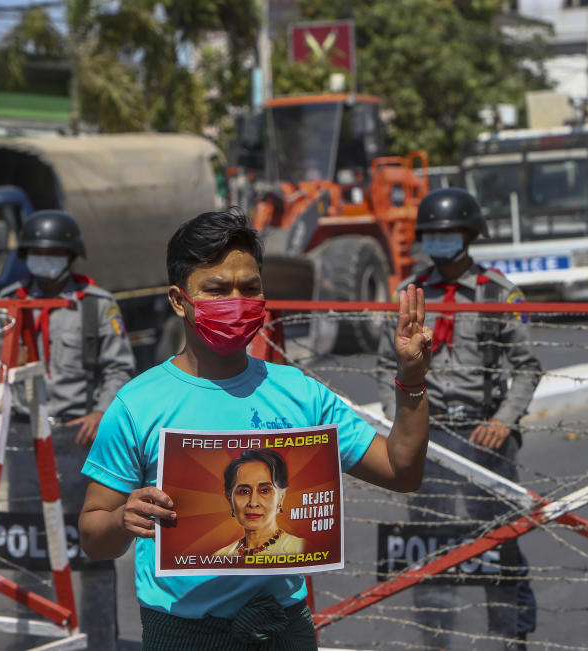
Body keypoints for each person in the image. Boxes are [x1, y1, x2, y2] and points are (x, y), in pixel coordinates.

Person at [79, 208, 432, 650]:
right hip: (183, 636)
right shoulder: (138, 404)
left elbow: (402, 471)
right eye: (216, 289)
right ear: (178, 300)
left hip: (283, 631)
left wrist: (413, 380)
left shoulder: (300, 393)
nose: (236, 301)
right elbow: (94, 536)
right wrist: (121, 518)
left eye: (250, 288)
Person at [377, 187, 542, 651]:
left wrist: (505, 421)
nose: (440, 240)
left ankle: (510, 638)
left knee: (499, 543)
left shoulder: (498, 291)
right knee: (429, 546)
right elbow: (382, 363)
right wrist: (399, 424)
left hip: (485, 434)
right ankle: (437, 642)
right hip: (428, 436)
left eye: (449, 232)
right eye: (432, 233)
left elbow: (527, 366)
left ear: (469, 234)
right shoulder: (409, 294)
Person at [0, 209, 135, 651]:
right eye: (37, 253)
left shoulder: (97, 305)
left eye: (54, 253)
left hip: (80, 439)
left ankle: (100, 640)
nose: (45, 260)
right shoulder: (8, 302)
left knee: (92, 545)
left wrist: (102, 412)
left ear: (71, 256)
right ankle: (40, 638)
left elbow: (119, 367)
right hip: (25, 438)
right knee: (31, 547)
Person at [212, 449, 305, 557]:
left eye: (264, 490)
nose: (253, 503)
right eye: (244, 491)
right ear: (229, 499)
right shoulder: (221, 556)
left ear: (281, 497)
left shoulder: (300, 548)